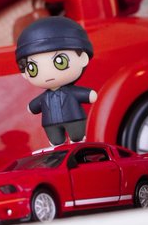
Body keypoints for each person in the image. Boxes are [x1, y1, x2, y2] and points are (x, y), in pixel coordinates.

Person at [15, 16, 97, 146]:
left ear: (83, 58)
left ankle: (79, 143)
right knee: (56, 142)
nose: (47, 73)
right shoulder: (44, 97)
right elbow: (34, 107)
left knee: (78, 138)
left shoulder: (71, 92)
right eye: (32, 68)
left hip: (74, 119)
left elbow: (86, 95)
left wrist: (89, 95)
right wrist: (31, 107)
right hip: (50, 124)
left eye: (60, 62)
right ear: (25, 74)